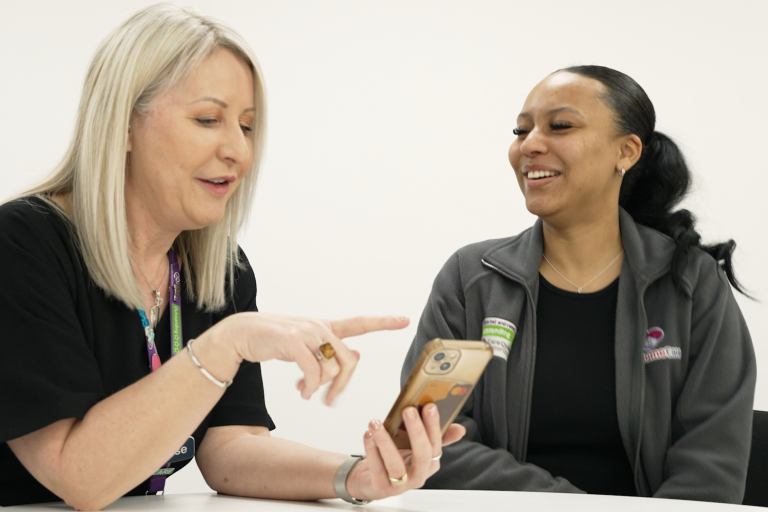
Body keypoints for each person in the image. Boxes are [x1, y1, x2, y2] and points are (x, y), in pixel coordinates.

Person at [0, 4, 464, 509]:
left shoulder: (220, 268)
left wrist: (355, 478)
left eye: (246, 126)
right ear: (123, 124)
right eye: (207, 119)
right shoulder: (23, 244)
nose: (239, 152)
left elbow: (230, 447)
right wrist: (226, 344)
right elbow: (80, 477)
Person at [402, 65, 756, 503]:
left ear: (626, 152)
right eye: (521, 130)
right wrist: (572, 506)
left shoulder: (690, 284)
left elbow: (710, 470)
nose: (529, 145)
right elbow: (427, 441)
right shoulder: (472, 278)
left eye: (561, 126)